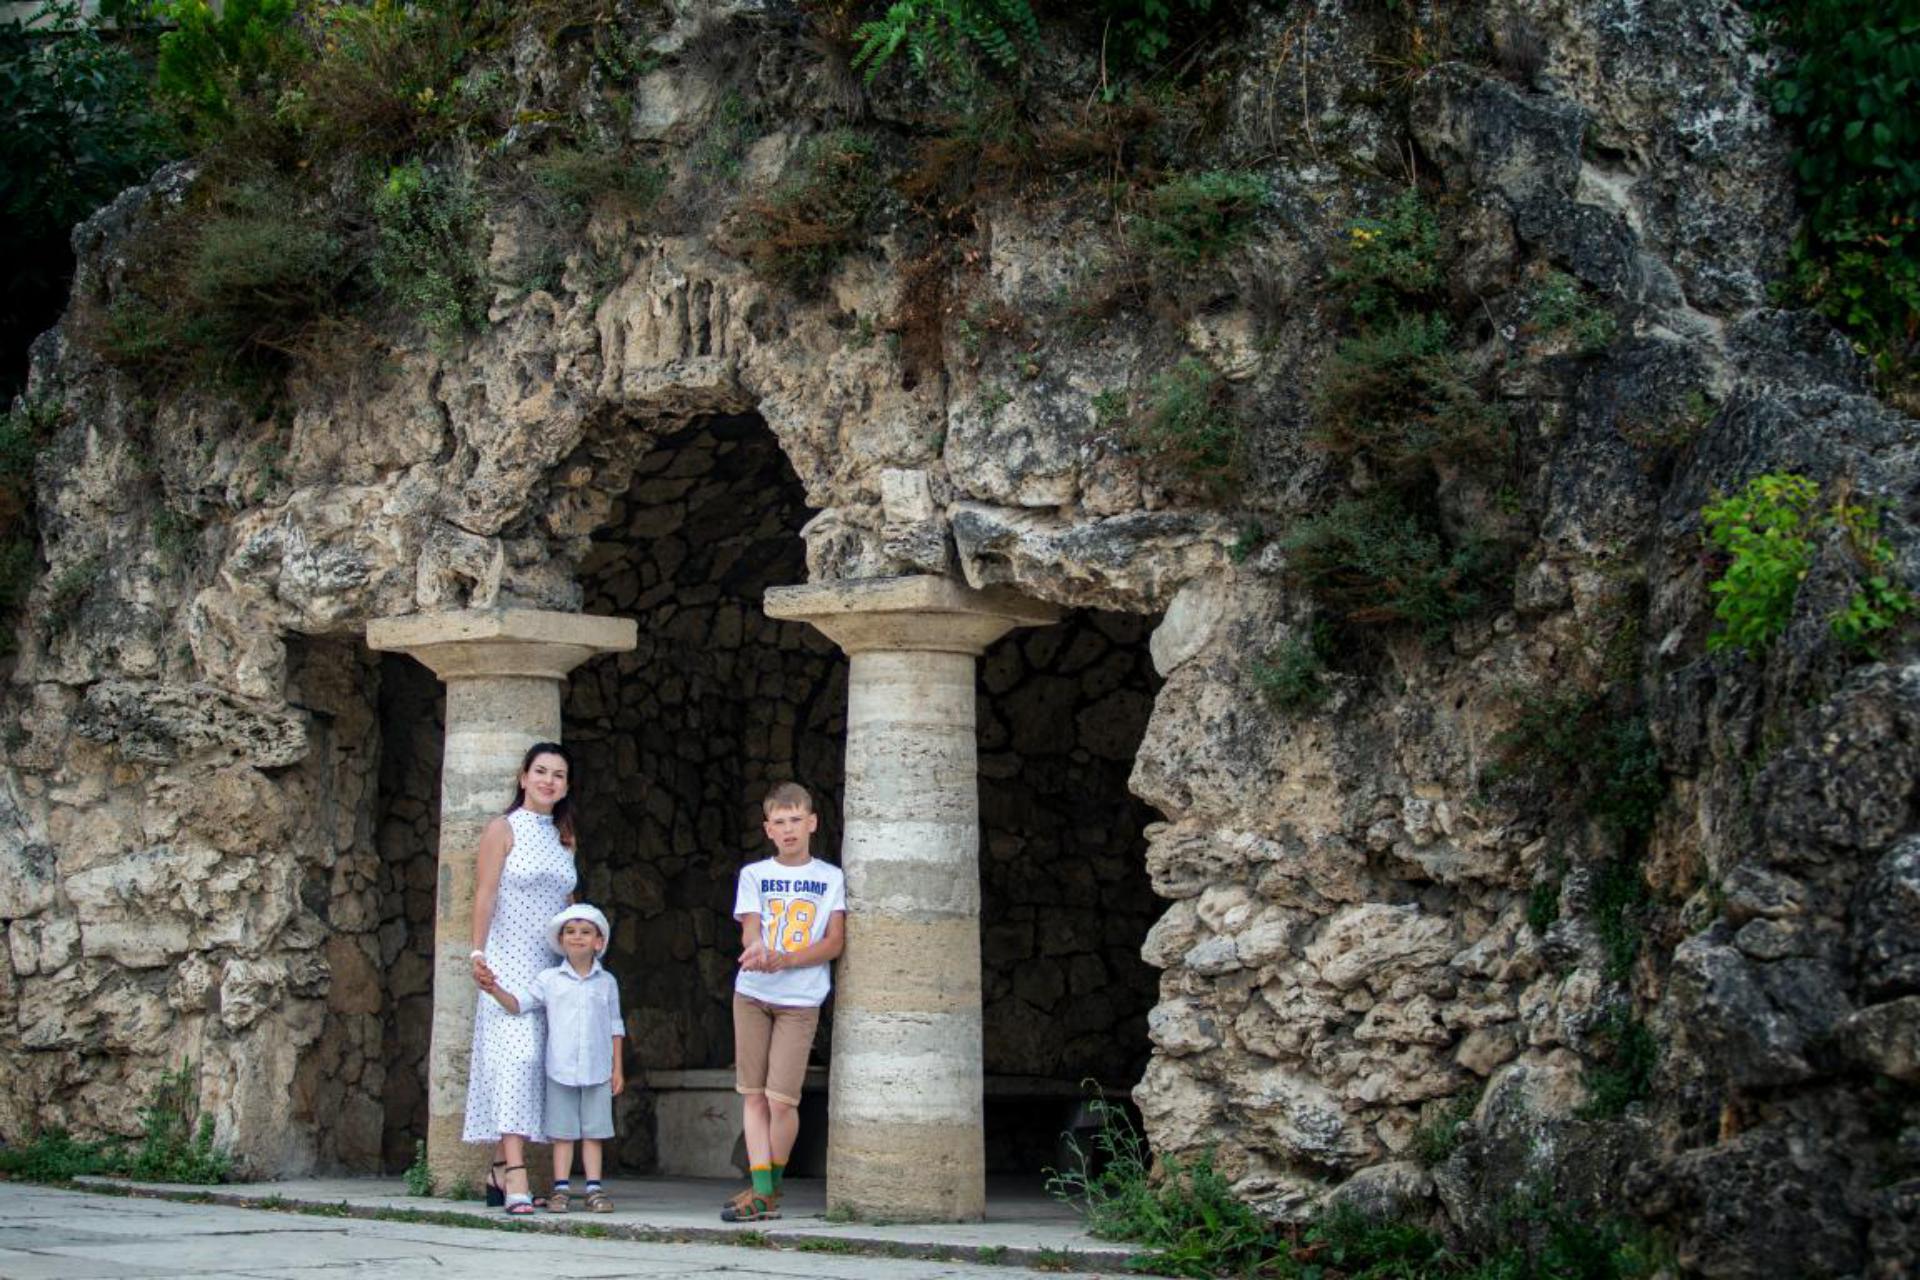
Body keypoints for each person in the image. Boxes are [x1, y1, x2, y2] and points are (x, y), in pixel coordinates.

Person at [721, 782, 846, 1223]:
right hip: (753, 994)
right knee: (752, 1095)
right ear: (767, 829)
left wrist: (787, 959)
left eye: (796, 820)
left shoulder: (831, 878)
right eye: (780, 822)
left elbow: (833, 942)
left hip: (800, 998)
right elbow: (750, 928)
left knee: (782, 1101)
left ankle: (768, 1188)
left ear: (812, 823)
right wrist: (757, 949)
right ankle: (761, 1192)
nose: (789, 829)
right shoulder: (754, 875)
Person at [465, 742, 579, 1213]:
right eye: (541, 771)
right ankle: (515, 1174)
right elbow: (486, 892)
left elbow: (570, 901)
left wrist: (578, 961)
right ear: (523, 777)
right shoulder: (502, 829)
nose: (549, 781)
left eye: (558, 775)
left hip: (549, 965)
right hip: (508, 956)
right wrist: (476, 950)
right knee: (517, 1059)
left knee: (537, 1067)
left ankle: (497, 1168)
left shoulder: (565, 835)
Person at [477, 903, 625, 1214]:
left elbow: (615, 1025)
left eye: (585, 932)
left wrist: (617, 1068)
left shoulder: (607, 982)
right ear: (560, 941)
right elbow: (520, 1004)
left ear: (599, 942)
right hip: (560, 1069)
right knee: (563, 1133)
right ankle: (561, 1189)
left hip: (598, 1068)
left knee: (594, 1132)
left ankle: (594, 1189)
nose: (577, 937)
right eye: (570, 932)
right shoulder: (549, 979)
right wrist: (494, 990)